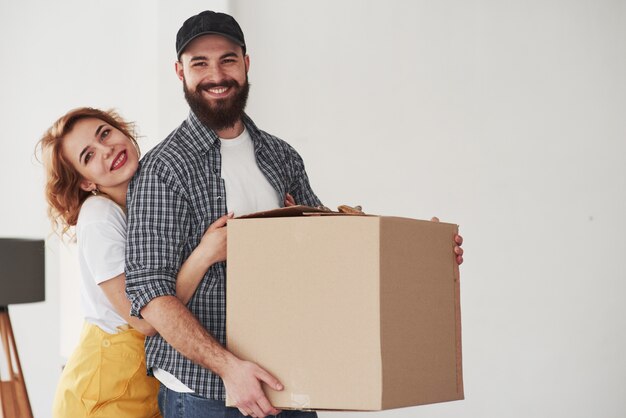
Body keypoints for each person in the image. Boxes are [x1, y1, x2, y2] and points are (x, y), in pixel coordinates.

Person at [124, 10, 464, 418]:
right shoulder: (163, 170)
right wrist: (230, 370)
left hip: (291, 383)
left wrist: (417, 253)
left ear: (246, 65)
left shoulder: (280, 156)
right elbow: (150, 296)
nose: (217, 74)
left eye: (228, 60)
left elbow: (327, 252)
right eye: (200, 63)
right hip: (207, 394)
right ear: (180, 72)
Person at [38, 107, 233, 417]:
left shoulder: (151, 196)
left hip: (143, 384)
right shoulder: (100, 217)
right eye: (88, 156)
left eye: (105, 134)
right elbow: (145, 319)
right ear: (86, 182)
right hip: (106, 393)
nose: (107, 150)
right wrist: (205, 254)